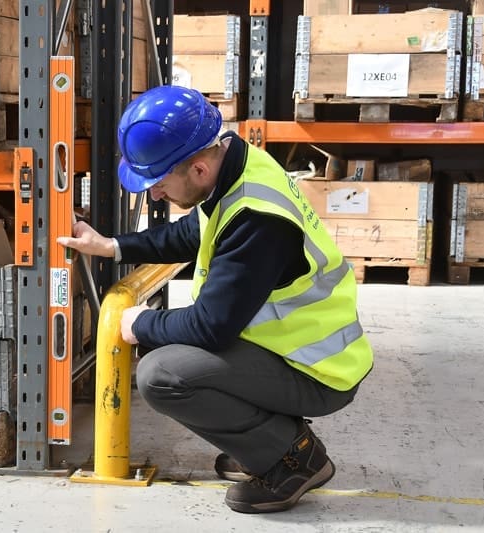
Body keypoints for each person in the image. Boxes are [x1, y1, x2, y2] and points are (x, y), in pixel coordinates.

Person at [57, 85, 373, 514]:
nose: (153, 194)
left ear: (200, 169)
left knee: (163, 374)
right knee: (174, 358)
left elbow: (211, 327)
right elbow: (193, 233)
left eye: (160, 181)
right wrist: (112, 245)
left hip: (317, 369)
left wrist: (137, 324)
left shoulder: (258, 219)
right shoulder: (235, 165)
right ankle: (272, 441)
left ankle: (294, 460)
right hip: (290, 350)